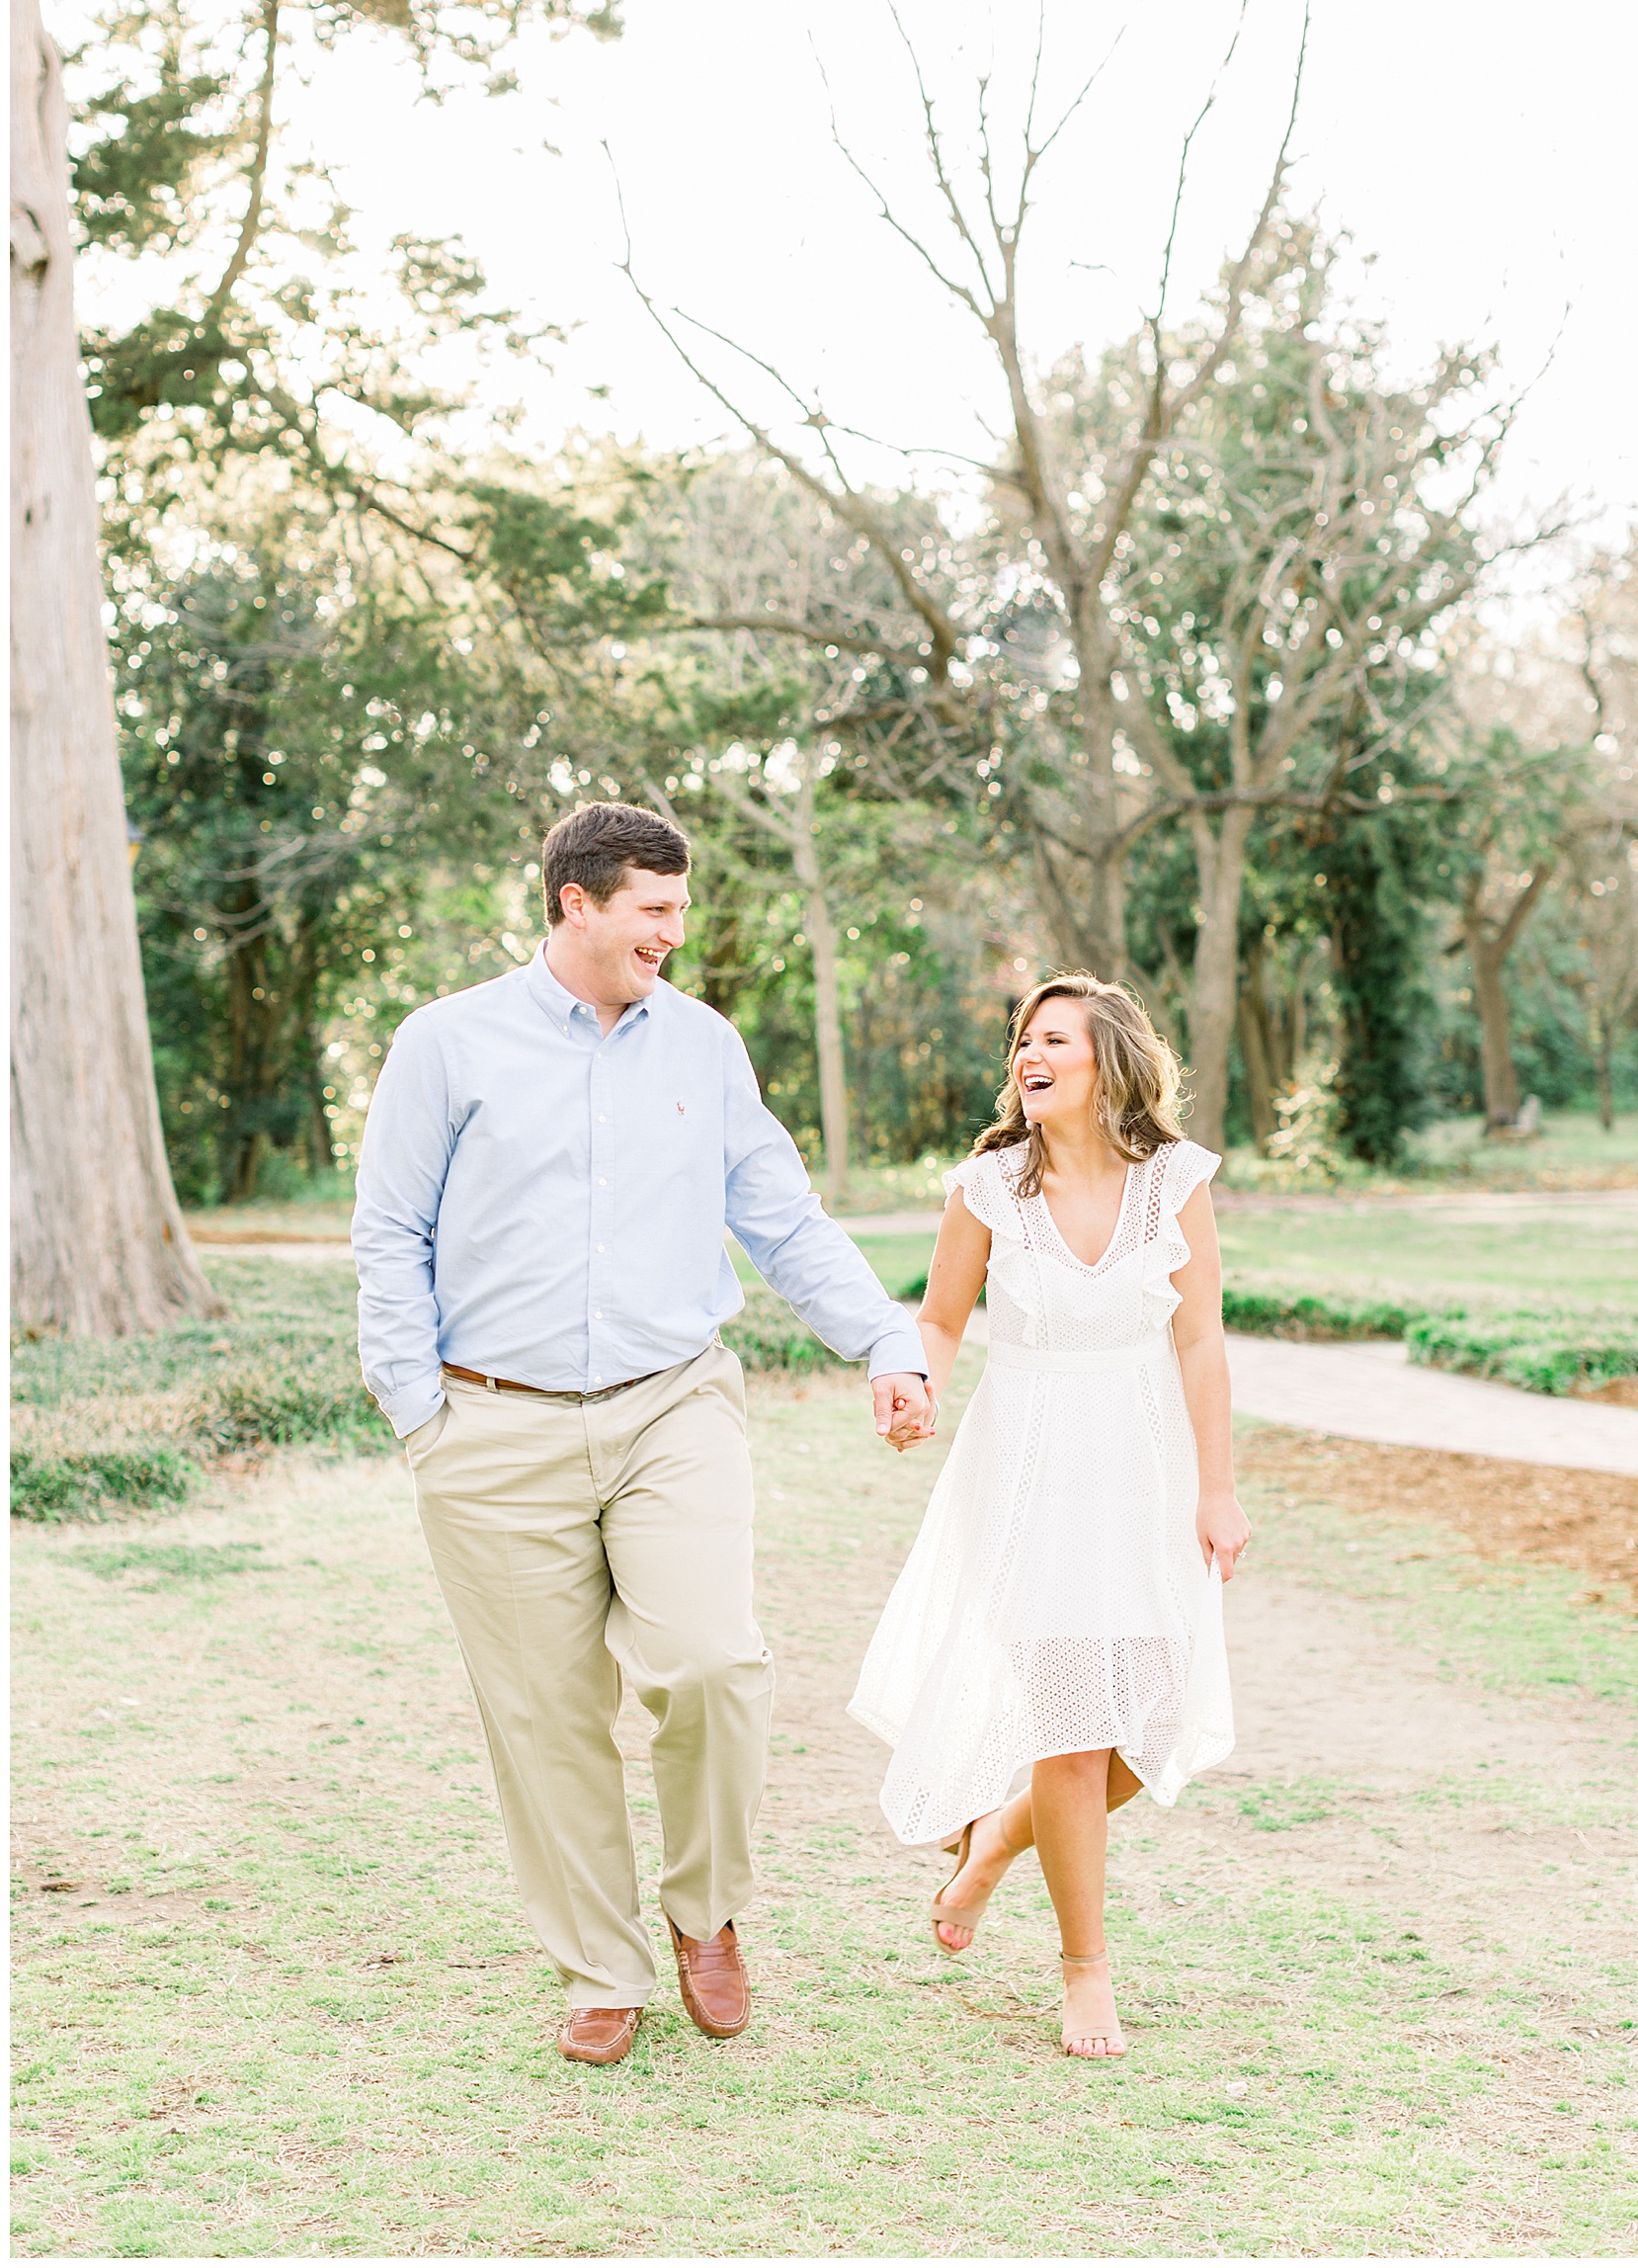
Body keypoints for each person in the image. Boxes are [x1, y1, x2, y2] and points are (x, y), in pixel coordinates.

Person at [353, 800, 933, 2068]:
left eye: (680, 907)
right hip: (491, 1426)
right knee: (546, 1711)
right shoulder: (447, 1043)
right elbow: (389, 1230)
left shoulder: (706, 1047)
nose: (676, 930)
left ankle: (705, 1907)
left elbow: (781, 1216)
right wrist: (419, 1412)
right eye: (654, 909)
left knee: (715, 1662)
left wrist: (886, 1341)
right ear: (577, 902)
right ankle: (600, 1967)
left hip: (673, 1402)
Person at [849, 972, 1247, 2058]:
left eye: (1054, 1037)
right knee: (1072, 1733)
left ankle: (988, 1848)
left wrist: (1217, 1486)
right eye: (1024, 1038)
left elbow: (1201, 1340)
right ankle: (1086, 1973)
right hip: (1025, 1472)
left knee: (1143, 1720)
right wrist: (913, 1383)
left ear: (1107, 1058)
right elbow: (938, 1317)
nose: (1030, 1052)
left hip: (1146, 1469)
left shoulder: (1175, 1180)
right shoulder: (988, 1187)